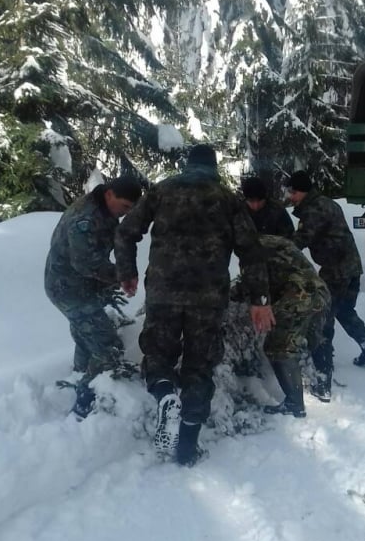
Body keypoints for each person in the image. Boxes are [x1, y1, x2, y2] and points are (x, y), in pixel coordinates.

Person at [114, 144, 274, 466]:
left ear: (187, 165)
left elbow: (126, 232)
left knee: (159, 356)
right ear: (213, 168)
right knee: (199, 367)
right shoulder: (228, 199)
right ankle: (187, 448)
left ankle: (165, 395)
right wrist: (259, 300)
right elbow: (251, 251)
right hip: (208, 299)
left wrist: (127, 273)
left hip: (163, 293)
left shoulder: (162, 191)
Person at [45, 176, 143, 418]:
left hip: (80, 287)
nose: (124, 213)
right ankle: (84, 405)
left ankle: (79, 377)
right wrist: (121, 276)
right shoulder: (86, 218)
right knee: (107, 347)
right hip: (68, 289)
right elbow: (84, 262)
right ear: (109, 194)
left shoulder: (102, 209)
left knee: (87, 338)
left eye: (130, 209)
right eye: (124, 206)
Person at [287, 170, 365, 401]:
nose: (290, 197)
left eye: (292, 192)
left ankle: (323, 381)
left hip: (336, 270)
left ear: (301, 191)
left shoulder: (314, 210)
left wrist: (277, 249)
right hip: (351, 267)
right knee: (345, 311)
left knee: (323, 319)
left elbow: (300, 241)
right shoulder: (325, 203)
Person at [232, 234, 330, 417]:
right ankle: (323, 386)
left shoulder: (250, 251)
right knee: (312, 341)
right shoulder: (270, 241)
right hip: (320, 293)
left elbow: (251, 282)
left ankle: (295, 404)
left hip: (298, 297)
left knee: (278, 348)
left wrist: (227, 296)